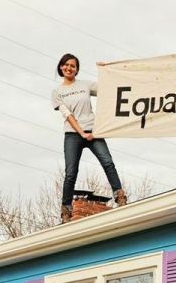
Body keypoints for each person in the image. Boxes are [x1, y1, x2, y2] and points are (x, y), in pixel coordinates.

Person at [52, 53, 127, 222]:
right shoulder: (57, 92)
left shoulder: (85, 85)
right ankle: (66, 209)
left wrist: (106, 70)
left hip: (94, 132)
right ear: (61, 67)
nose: (69, 68)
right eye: (66, 65)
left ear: (77, 70)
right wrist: (82, 133)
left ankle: (120, 195)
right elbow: (68, 115)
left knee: (107, 162)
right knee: (71, 172)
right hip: (73, 135)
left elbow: (108, 90)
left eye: (72, 66)